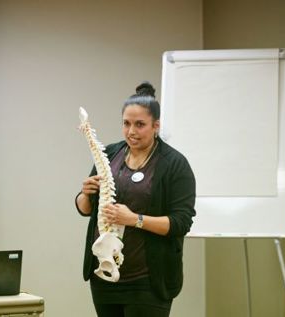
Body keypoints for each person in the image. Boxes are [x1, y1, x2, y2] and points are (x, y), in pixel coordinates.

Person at [75, 81, 196, 317]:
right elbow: (84, 208)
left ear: (156, 126)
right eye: (126, 123)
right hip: (105, 275)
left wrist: (135, 219)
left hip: (148, 281)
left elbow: (181, 222)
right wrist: (86, 194)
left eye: (140, 125)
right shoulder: (110, 153)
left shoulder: (174, 164)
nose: (131, 131)